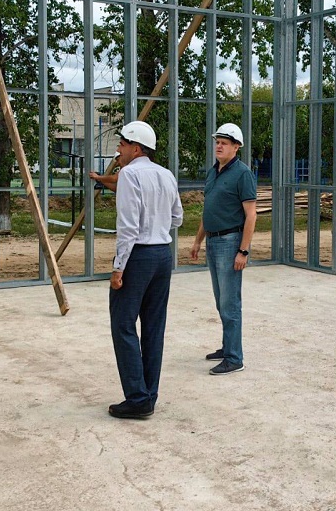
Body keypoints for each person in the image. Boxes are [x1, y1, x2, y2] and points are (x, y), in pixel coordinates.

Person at [108, 121, 183, 419]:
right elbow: (177, 217)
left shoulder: (129, 174)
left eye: (123, 145)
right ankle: (149, 394)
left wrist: (118, 268)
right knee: (153, 327)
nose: (119, 149)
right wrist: (159, 228)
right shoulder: (166, 175)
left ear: (136, 147)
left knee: (123, 324)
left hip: (138, 255)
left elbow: (128, 227)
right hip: (162, 255)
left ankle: (137, 398)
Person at [190, 123, 257, 375]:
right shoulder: (213, 172)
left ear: (236, 147)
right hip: (212, 241)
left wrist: (243, 251)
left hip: (230, 243)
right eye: (217, 141)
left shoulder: (242, 174)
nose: (219, 145)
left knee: (230, 303)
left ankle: (234, 358)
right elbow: (209, 210)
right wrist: (198, 240)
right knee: (221, 301)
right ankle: (227, 346)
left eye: (225, 142)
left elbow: (251, 215)